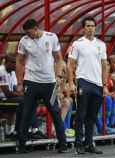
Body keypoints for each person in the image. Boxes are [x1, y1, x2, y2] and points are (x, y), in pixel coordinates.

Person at [16, 19, 67, 153]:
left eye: (30, 32)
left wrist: (58, 77)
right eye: (26, 33)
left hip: (49, 83)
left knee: (55, 112)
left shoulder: (51, 37)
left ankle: (63, 144)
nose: (28, 35)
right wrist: (20, 82)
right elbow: (20, 61)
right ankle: (21, 145)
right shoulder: (24, 41)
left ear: (36, 28)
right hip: (31, 82)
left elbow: (58, 59)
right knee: (26, 113)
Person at [67, 16, 106, 155]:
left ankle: (89, 143)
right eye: (88, 25)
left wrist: (105, 85)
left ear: (95, 27)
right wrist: (71, 83)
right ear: (83, 28)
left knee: (92, 116)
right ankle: (79, 144)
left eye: (92, 25)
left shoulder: (101, 44)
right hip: (83, 81)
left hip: (98, 84)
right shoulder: (77, 44)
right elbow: (70, 64)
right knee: (81, 114)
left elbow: (104, 65)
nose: (90, 28)